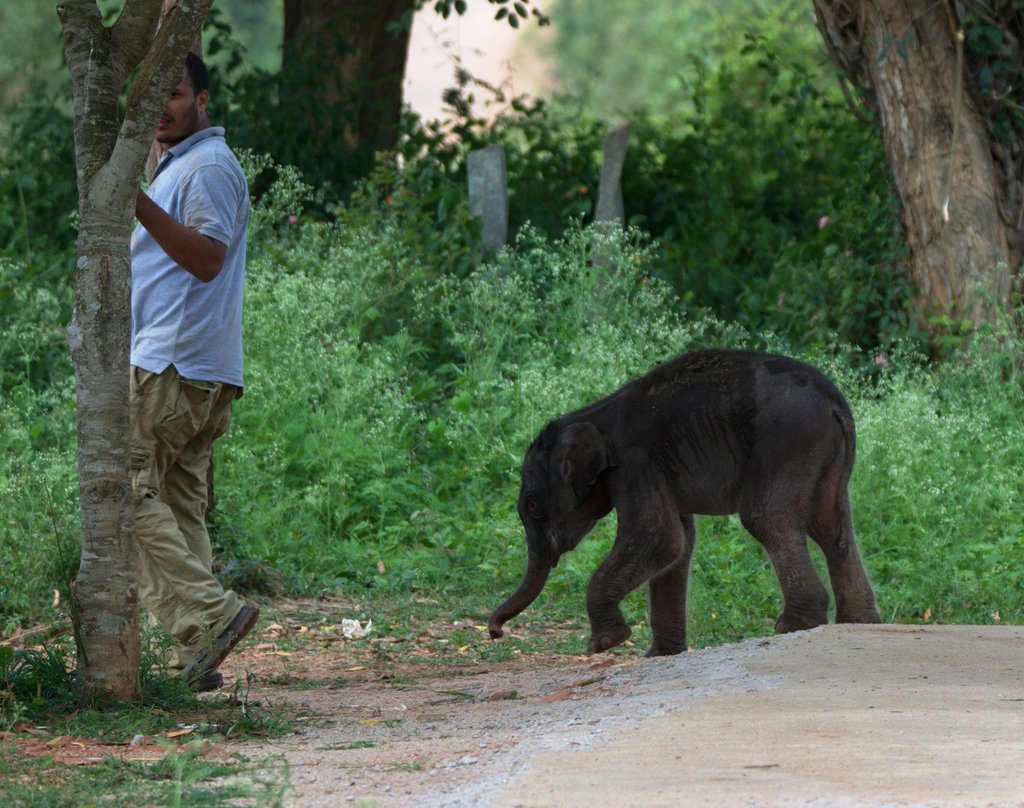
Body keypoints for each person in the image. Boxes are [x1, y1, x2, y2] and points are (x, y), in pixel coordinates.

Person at [130, 52, 257, 692]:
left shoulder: (205, 167)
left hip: (171, 365)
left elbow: (207, 258)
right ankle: (197, 655)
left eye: (174, 93)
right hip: (201, 366)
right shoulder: (181, 164)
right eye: (152, 94)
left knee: (122, 496)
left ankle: (213, 617)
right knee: (179, 511)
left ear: (203, 99)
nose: (162, 106)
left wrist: (133, 201)